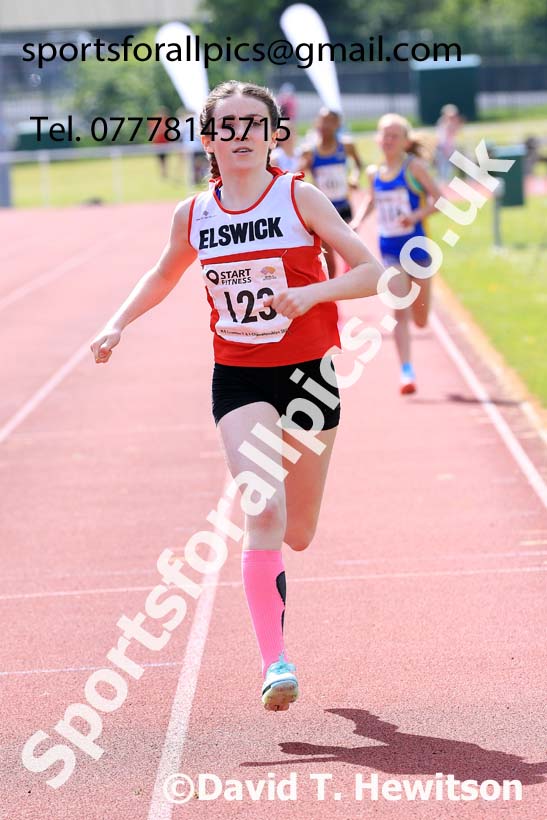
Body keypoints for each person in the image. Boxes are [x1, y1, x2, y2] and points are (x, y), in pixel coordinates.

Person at [90, 81, 382, 712]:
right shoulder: (193, 215)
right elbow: (166, 271)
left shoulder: (300, 197)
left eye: (255, 123)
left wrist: (312, 295)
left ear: (274, 132)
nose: (242, 134)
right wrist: (118, 322)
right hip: (240, 377)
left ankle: (279, 602)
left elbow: (371, 272)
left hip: (310, 376)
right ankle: (275, 661)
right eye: (228, 125)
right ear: (208, 138)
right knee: (264, 511)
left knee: (298, 531)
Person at [350, 113, 442, 395]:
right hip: (389, 250)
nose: (388, 140)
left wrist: (416, 214)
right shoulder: (374, 173)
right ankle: (406, 372)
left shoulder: (414, 168)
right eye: (384, 135)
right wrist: (358, 221)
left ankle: (418, 331)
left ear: (404, 141)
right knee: (398, 312)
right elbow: (372, 199)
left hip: (417, 249)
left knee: (421, 319)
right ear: (378, 139)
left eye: (394, 136)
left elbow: (438, 199)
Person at [299, 109, 363, 278]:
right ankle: (333, 297)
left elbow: (358, 164)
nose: (325, 125)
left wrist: (354, 177)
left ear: (337, 124)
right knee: (328, 259)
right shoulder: (310, 151)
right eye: (322, 121)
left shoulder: (346, 146)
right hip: (324, 209)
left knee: (350, 250)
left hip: (343, 205)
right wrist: (303, 165)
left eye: (329, 121)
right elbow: (298, 173)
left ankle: (351, 281)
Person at [435, 104, 463, 182]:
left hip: (449, 148)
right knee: (444, 169)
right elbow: (443, 139)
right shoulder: (444, 123)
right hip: (442, 148)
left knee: (448, 169)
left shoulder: (450, 123)